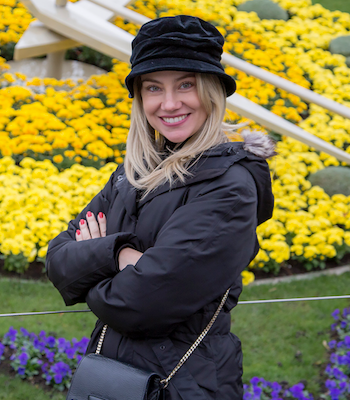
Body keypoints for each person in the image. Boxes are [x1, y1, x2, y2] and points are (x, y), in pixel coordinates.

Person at [45, 15, 276, 399]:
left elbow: (136, 304)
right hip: (112, 378)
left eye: (186, 84)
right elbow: (58, 261)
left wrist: (96, 258)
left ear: (213, 91)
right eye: (154, 88)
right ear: (139, 98)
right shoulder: (134, 172)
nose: (169, 104)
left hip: (185, 385)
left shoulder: (230, 187)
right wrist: (122, 255)